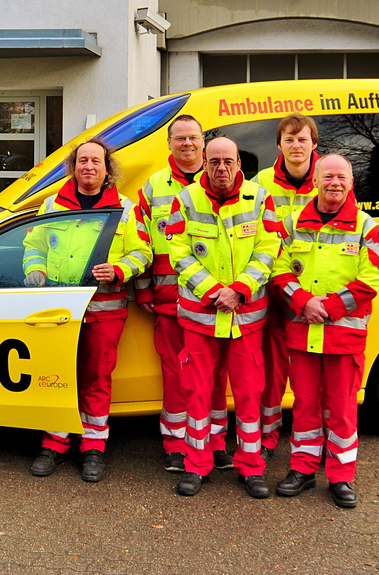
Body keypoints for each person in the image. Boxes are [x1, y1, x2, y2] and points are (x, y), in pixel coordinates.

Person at [26, 139, 151, 483]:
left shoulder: (126, 208)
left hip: (105, 308)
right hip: (58, 309)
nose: (89, 167)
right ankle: (54, 443)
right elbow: (32, 245)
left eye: (96, 161)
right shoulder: (52, 204)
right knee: (57, 378)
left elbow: (142, 254)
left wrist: (120, 270)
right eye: (83, 161)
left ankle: (93, 447)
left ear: (107, 169)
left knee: (97, 379)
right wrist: (34, 269)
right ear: (73, 166)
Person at [164, 136, 281, 498]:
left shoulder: (259, 198)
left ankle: (251, 466)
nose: (221, 169)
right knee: (197, 394)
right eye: (213, 161)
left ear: (238, 165)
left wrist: (240, 290)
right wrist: (214, 291)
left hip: (246, 316)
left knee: (249, 394)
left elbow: (269, 248)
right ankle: (197, 465)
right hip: (201, 316)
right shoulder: (185, 200)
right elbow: (178, 252)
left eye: (227, 161)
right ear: (203, 161)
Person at [270, 154, 379, 509]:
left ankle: (341, 477)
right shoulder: (292, 223)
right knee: (304, 405)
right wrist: (304, 301)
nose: (335, 182)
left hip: (343, 335)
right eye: (328, 176)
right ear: (316, 180)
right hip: (304, 332)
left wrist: (330, 307)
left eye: (342, 177)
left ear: (351, 183)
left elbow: (373, 278)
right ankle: (302, 469)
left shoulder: (368, 228)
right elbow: (277, 268)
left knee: (341, 407)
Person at [135, 115, 233, 474]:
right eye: (180, 138)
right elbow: (142, 243)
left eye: (193, 138)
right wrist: (142, 289)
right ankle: (177, 443)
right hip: (167, 300)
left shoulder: (223, 182)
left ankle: (216, 441)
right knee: (176, 375)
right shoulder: (154, 187)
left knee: (216, 374)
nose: (187, 144)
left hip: (214, 302)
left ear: (203, 143)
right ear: (169, 143)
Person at [254, 113, 322, 459]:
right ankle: (267, 438)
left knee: (312, 374)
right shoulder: (263, 181)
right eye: (290, 140)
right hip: (274, 290)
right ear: (279, 145)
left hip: (314, 293)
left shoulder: (329, 178)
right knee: (273, 371)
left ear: (314, 143)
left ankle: (312, 443)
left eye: (303, 139)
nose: (297, 146)